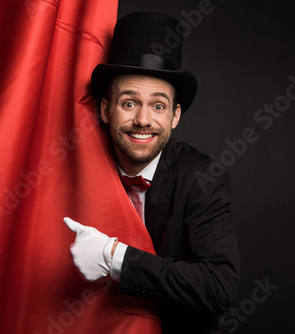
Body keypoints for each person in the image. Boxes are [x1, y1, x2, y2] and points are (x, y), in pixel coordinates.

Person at [64, 12, 240, 334]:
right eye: (129, 103)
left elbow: (219, 287)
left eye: (158, 106)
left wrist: (113, 256)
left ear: (175, 116)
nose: (143, 120)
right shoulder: (77, 169)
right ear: (105, 109)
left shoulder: (202, 177)